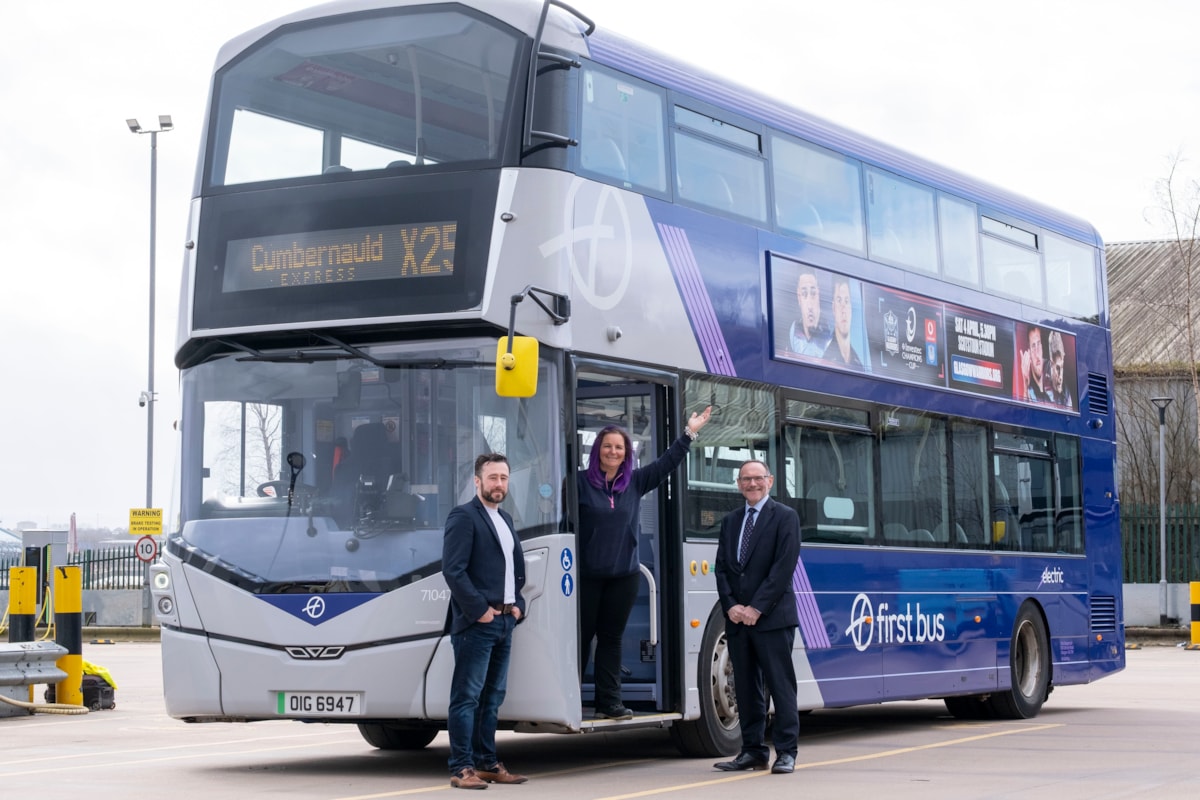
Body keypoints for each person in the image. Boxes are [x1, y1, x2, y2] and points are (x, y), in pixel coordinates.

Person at [577, 406, 712, 719]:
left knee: (611, 639)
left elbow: (667, 464)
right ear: (597, 451)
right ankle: (569, 699)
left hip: (623, 575)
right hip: (586, 576)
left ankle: (609, 702)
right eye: (607, 446)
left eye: (619, 447)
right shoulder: (579, 482)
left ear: (627, 454)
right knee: (581, 639)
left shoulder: (635, 482)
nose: (613, 451)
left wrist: (689, 433)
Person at [442, 453, 529, 790]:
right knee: (466, 697)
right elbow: (454, 570)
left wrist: (517, 604)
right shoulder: (463, 516)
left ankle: (486, 762)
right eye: (493, 478)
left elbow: (513, 570)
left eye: (504, 478)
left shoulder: (504, 518)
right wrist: (479, 610)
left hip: (505, 622)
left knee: (492, 698)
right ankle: (461, 767)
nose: (499, 484)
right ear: (477, 481)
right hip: (477, 623)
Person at [713, 460, 801, 775]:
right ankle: (752, 751)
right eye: (746, 479)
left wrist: (756, 608)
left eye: (758, 478)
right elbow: (722, 568)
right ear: (738, 484)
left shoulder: (786, 517)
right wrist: (731, 606)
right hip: (738, 621)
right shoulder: (731, 521)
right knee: (745, 688)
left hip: (772, 618)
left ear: (770, 481)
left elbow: (783, 567)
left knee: (780, 686)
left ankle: (787, 752)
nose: (752, 484)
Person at [822, 275, 862, 367]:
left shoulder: (859, 364)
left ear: (851, 308)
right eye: (839, 301)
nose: (843, 309)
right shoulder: (826, 361)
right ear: (833, 308)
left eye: (846, 301)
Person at [788, 265, 828, 357]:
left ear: (819, 295)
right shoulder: (792, 334)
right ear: (799, 298)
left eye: (813, 294)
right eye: (804, 294)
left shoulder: (829, 340)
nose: (810, 305)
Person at [1020, 325, 1050, 403]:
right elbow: (1024, 409)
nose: (1037, 354)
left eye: (1039, 344)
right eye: (1033, 346)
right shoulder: (1029, 390)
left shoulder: (1052, 371)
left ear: (1042, 347)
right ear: (1029, 352)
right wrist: (1025, 383)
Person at [1046, 330, 1074, 409]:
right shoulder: (1041, 383)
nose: (1061, 377)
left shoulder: (1066, 393)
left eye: (1062, 368)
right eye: (1058, 368)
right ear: (1051, 364)